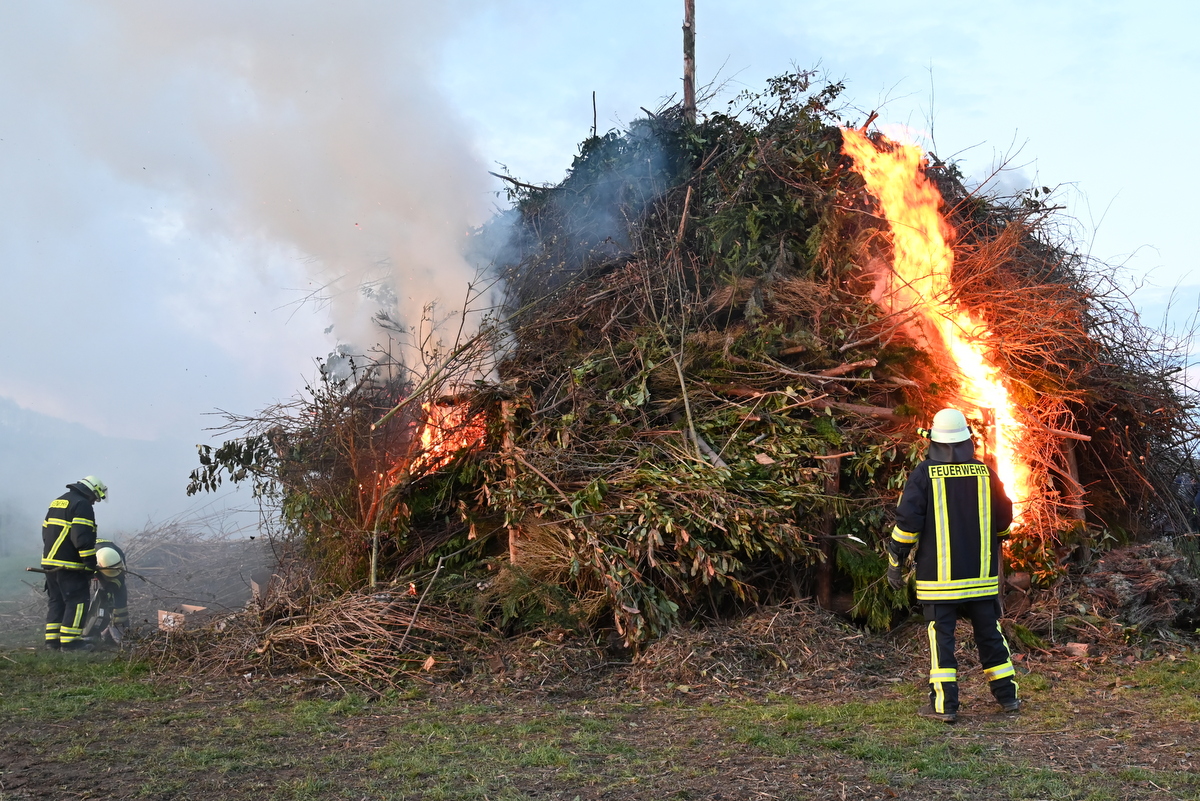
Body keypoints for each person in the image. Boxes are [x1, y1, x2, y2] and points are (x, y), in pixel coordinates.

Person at [886, 409, 1019, 723]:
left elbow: (907, 525)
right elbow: (1004, 519)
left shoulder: (923, 474)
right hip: (982, 578)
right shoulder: (986, 473)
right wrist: (998, 541)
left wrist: (896, 561)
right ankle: (1008, 697)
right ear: (965, 441)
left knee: (942, 639)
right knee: (990, 635)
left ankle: (946, 706)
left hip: (939, 582)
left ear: (934, 441)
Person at [41, 476, 107, 650]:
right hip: (69, 565)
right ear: (91, 492)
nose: (93, 503)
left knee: (57, 600)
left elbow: (45, 531)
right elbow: (82, 537)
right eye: (95, 498)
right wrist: (89, 564)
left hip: (50, 563)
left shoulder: (58, 502)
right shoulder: (82, 504)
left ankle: (52, 641)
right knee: (77, 601)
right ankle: (70, 643)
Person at [93, 539, 130, 642]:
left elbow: (121, 578)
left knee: (120, 596)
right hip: (97, 564)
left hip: (111, 566)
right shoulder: (88, 553)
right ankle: (102, 628)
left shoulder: (117, 554)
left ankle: (121, 628)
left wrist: (111, 589)